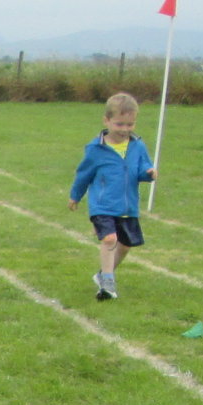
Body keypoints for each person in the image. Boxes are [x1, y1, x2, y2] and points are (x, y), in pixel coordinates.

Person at [68, 92, 157, 301]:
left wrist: (149, 173)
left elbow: (143, 167)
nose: (125, 130)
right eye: (119, 124)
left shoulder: (138, 145)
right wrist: (75, 196)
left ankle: (102, 274)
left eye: (130, 124)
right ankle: (107, 281)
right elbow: (84, 174)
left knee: (125, 245)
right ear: (106, 121)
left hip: (128, 206)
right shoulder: (96, 149)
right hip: (103, 205)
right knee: (110, 239)